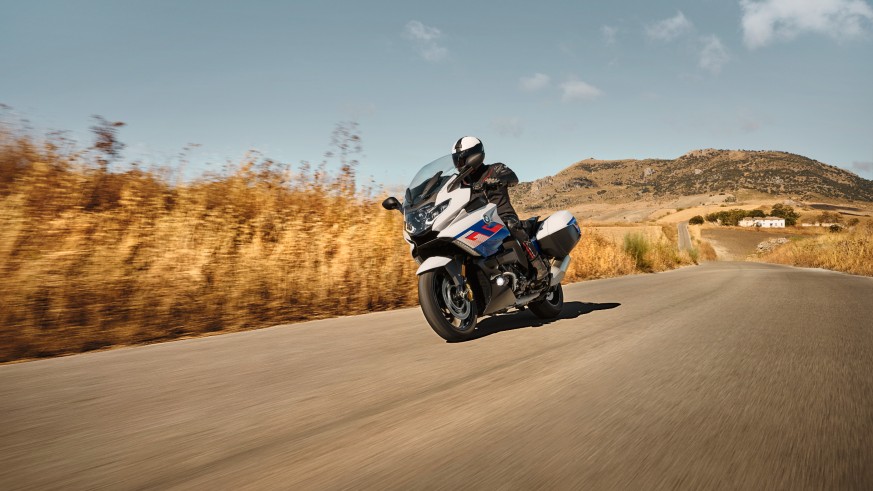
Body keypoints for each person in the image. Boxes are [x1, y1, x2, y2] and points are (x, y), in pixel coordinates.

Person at [451, 136, 549, 283]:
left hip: (502, 215)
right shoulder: (461, 182)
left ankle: (537, 263)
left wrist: (498, 180)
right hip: (478, 222)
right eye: (456, 160)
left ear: (474, 157)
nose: (459, 164)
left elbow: (513, 178)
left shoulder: (495, 169)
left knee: (511, 225)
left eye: (461, 160)